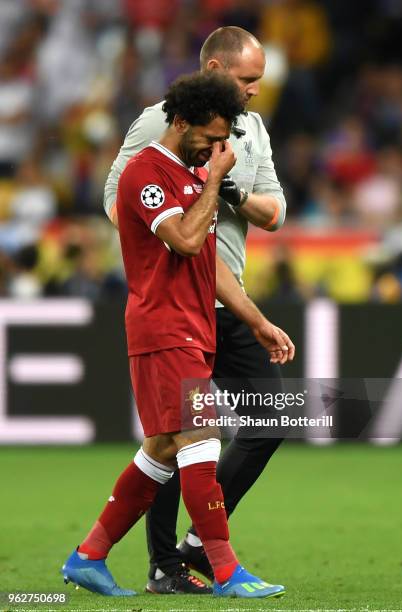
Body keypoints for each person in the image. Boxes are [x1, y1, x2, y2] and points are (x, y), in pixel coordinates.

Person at [62, 71, 295, 599]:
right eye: (211, 139)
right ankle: (227, 570)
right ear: (181, 122)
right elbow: (186, 242)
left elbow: (209, 267)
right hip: (163, 327)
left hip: (195, 325)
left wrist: (257, 321)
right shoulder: (147, 174)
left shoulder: (191, 178)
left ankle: (89, 556)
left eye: (224, 141)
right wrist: (215, 181)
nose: (219, 149)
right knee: (201, 438)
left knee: (163, 449)